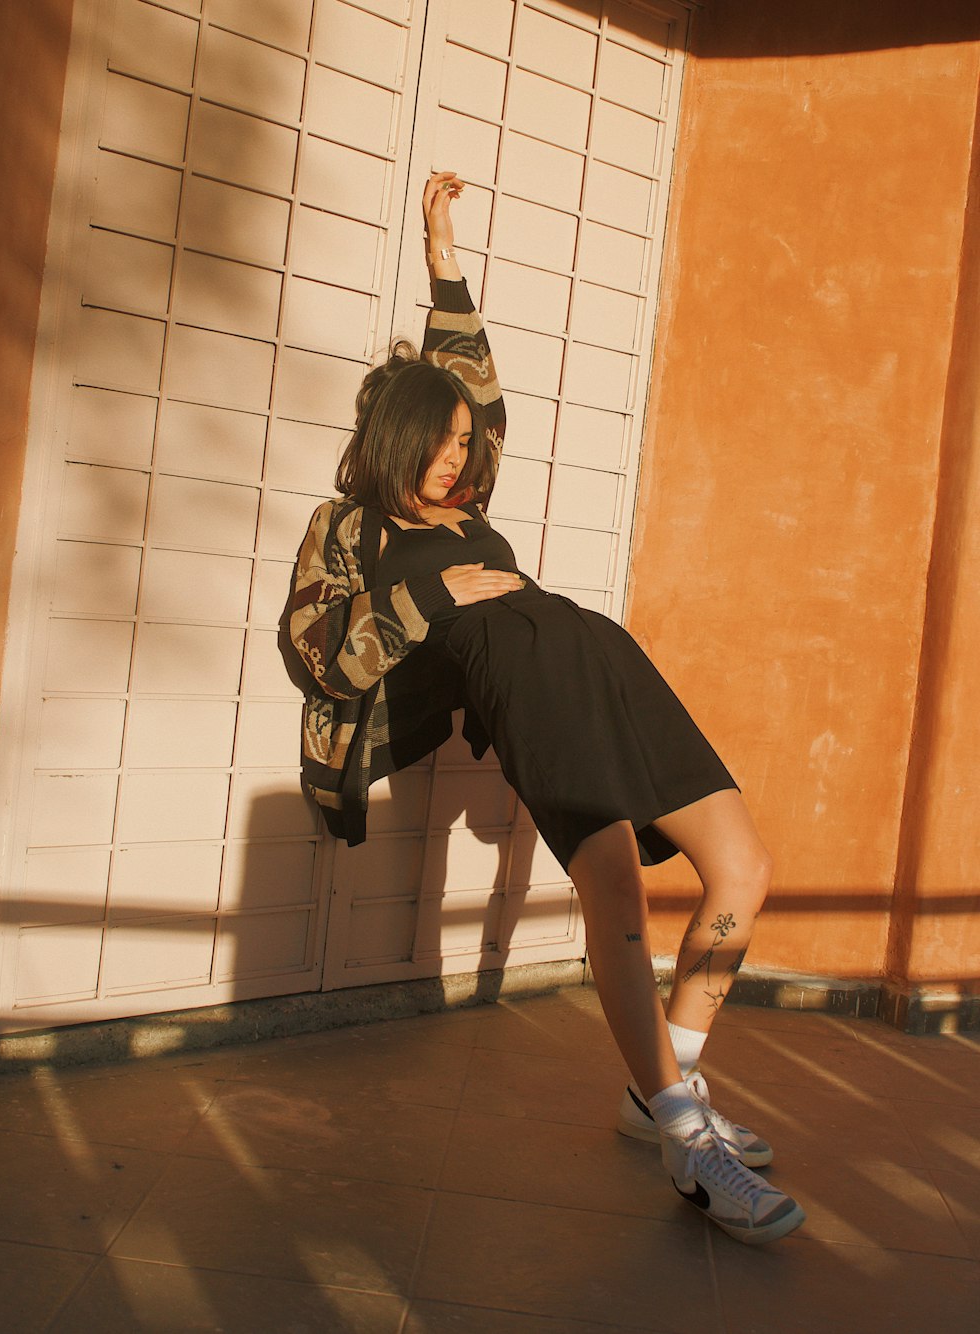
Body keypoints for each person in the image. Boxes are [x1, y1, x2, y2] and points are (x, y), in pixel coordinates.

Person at [289, 171, 806, 1245]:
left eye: (466, 445)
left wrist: (440, 251)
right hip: (523, 684)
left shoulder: (468, 490)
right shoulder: (352, 530)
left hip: (598, 655)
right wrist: (434, 590)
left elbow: (466, 377)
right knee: (615, 897)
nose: (459, 457)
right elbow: (324, 660)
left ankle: (667, 1080)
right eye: (437, 444)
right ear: (392, 442)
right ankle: (679, 1132)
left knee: (744, 868)